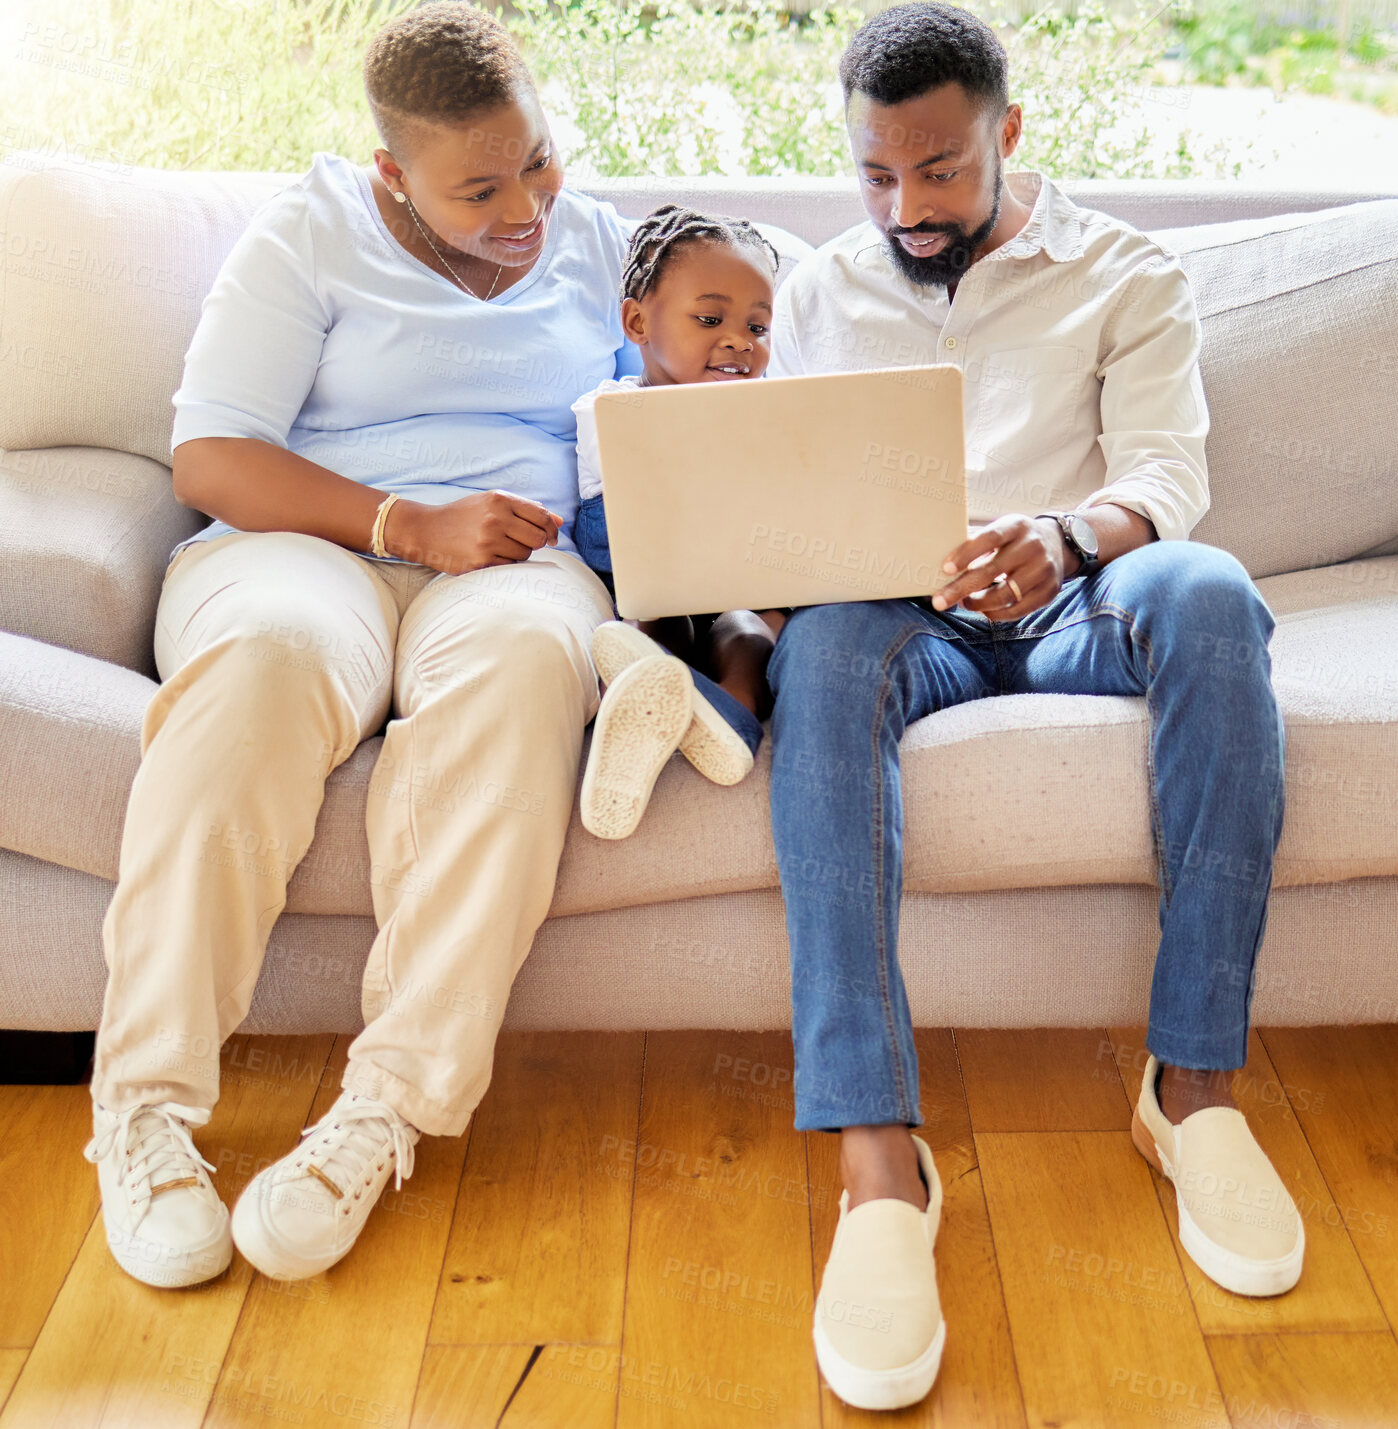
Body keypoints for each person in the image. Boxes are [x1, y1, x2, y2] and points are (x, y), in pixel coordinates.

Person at [766, 2, 1300, 1411]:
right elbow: (788, 489)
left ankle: (1190, 1092)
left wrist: (1064, 538)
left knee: (1205, 588)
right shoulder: (822, 289)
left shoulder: (1123, 272)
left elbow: (1168, 474)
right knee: (820, 652)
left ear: (1008, 134)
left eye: (939, 168)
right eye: (876, 174)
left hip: (1076, 600)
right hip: (901, 619)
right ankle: (878, 1159)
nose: (907, 206)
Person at [82, 1, 647, 1289]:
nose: (529, 206)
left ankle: (380, 1111)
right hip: (309, 544)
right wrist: (406, 522)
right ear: (395, 174)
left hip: (514, 561)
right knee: (268, 662)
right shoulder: (312, 235)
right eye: (481, 188)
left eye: (540, 160)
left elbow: (657, 408)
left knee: (520, 674)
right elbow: (213, 457)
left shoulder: (594, 240)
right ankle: (146, 1114)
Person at [569, 203, 789, 839]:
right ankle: (647, 686)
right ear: (638, 320)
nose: (738, 340)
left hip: (733, 572)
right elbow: (619, 517)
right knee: (647, 624)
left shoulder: (777, 412)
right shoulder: (609, 406)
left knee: (751, 630)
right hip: (647, 564)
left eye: (757, 326)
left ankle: (727, 717)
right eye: (710, 319)